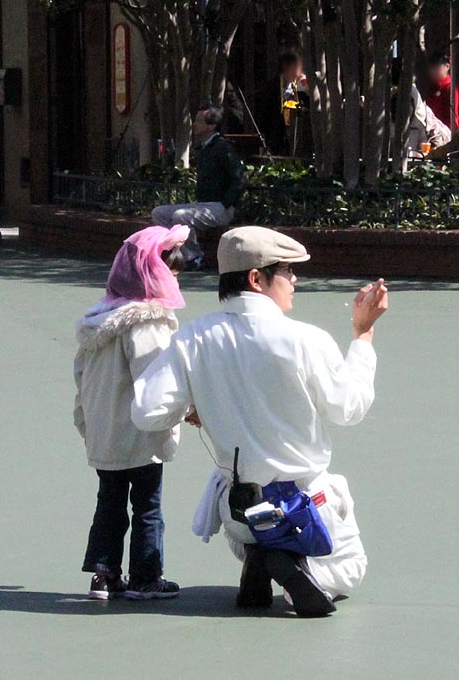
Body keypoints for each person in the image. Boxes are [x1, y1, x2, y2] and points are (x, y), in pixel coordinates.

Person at [132, 227, 389, 618]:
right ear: (257, 278)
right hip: (305, 506)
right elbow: (349, 408)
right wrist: (363, 334)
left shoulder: (194, 337)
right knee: (351, 568)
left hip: (239, 513)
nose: (294, 279)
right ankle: (296, 566)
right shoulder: (306, 339)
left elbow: (147, 412)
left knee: (246, 532)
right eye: (286, 270)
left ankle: (260, 554)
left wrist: (191, 407)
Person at [74, 225, 190, 601]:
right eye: (170, 272)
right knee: (147, 506)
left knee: (108, 502)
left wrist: (86, 422)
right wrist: (183, 408)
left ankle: (104, 574)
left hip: (104, 430)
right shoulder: (148, 321)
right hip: (139, 431)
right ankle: (146, 575)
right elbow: (156, 375)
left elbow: (81, 377)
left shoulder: (99, 319)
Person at [151, 106, 247, 270]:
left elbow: (240, 177)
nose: (194, 124)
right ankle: (176, 255)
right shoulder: (204, 147)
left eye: (198, 121)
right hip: (201, 205)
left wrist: (227, 203)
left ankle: (196, 257)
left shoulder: (222, 147)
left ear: (210, 126)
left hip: (219, 208)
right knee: (158, 213)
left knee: (181, 216)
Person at [423, 51, 459, 129]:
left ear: (447, 67)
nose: (433, 71)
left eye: (436, 67)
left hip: (446, 132)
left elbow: (453, 118)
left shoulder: (450, 88)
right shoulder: (433, 88)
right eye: (431, 67)